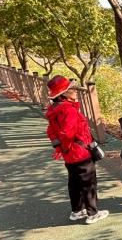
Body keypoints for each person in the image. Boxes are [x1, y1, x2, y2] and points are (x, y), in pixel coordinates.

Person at [45, 75, 109, 224]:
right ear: (63, 94)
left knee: (74, 182)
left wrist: (61, 148)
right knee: (88, 182)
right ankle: (92, 213)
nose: (75, 90)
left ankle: (76, 211)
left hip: (69, 155)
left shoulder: (55, 109)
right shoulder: (69, 110)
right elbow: (67, 132)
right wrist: (68, 145)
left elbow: (51, 131)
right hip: (79, 152)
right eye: (71, 89)